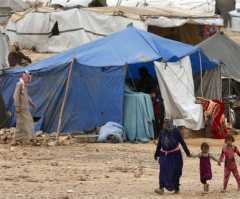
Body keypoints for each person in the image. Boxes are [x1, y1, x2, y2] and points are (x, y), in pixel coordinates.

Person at [154, 119, 191, 194]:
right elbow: (159, 145)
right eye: (165, 123)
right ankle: (161, 188)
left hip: (175, 155)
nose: (166, 125)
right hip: (164, 155)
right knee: (163, 171)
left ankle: (176, 188)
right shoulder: (162, 132)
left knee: (175, 172)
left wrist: (187, 153)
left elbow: (182, 142)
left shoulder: (176, 131)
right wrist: (156, 154)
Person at [13, 71, 35, 145]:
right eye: (27, 77)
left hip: (25, 107)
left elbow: (26, 95)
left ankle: (18, 138)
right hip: (21, 108)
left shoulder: (24, 85)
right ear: (24, 77)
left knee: (20, 124)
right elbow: (15, 96)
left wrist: (31, 103)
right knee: (27, 122)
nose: (28, 79)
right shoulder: (19, 84)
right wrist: (17, 106)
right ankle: (29, 138)